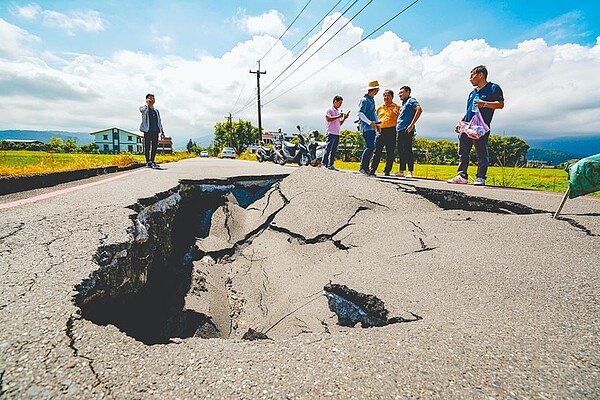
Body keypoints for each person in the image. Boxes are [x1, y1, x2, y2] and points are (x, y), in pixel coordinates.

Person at [448, 65, 504, 185]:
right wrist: (460, 121)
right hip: (467, 126)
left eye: (472, 75)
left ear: (481, 75)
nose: (470, 79)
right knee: (463, 152)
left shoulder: (493, 88)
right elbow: (469, 110)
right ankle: (462, 176)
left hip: (480, 128)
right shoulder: (472, 93)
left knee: (481, 152)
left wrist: (484, 104)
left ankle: (481, 177)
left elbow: (500, 104)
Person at [369, 89, 400, 176]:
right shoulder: (379, 108)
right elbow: (375, 119)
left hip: (391, 130)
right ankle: (372, 170)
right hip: (381, 131)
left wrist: (397, 114)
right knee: (377, 151)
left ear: (392, 97)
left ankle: (387, 171)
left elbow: (400, 118)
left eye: (388, 96)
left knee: (390, 152)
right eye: (384, 96)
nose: (386, 97)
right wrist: (376, 127)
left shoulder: (396, 107)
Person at [395, 86, 423, 178]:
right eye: (399, 93)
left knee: (407, 150)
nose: (400, 94)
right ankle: (401, 170)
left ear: (408, 92)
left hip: (407, 129)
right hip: (400, 129)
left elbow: (419, 109)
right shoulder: (403, 103)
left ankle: (410, 171)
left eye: (402, 92)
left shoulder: (411, 101)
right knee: (400, 150)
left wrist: (412, 124)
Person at [357, 80, 380, 175]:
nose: (378, 90)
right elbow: (360, 113)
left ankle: (366, 168)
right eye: (377, 89)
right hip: (366, 127)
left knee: (371, 147)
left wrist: (377, 124)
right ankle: (363, 167)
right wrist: (369, 122)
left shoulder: (372, 99)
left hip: (372, 127)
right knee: (370, 146)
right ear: (374, 89)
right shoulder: (365, 100)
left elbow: (373, 113)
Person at [322, 95, 348, 171]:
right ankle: (324, 163)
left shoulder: (337, 111)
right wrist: (338, 116)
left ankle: (330, 164)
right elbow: (328, 118)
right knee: (328, 149)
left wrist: (344, 118)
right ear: (335, 101)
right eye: (340, 103)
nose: (340, 105)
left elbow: (339, 123)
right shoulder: (329, 109)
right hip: (330, 132)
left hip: (337, 133)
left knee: (333, 150)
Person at [139, 93, 164, 168]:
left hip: (155, 131)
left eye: (153, 98)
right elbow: (142, 110)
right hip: (147, 131)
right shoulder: (144, 108)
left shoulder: (156, 111)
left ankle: (152, 161)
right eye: (150, 98)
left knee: (154, 147)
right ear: (146, 100)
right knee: (147, 147)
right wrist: (147, 105)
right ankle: (148, 162)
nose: (152, 100)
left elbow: (159, 121)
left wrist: (162, 130)